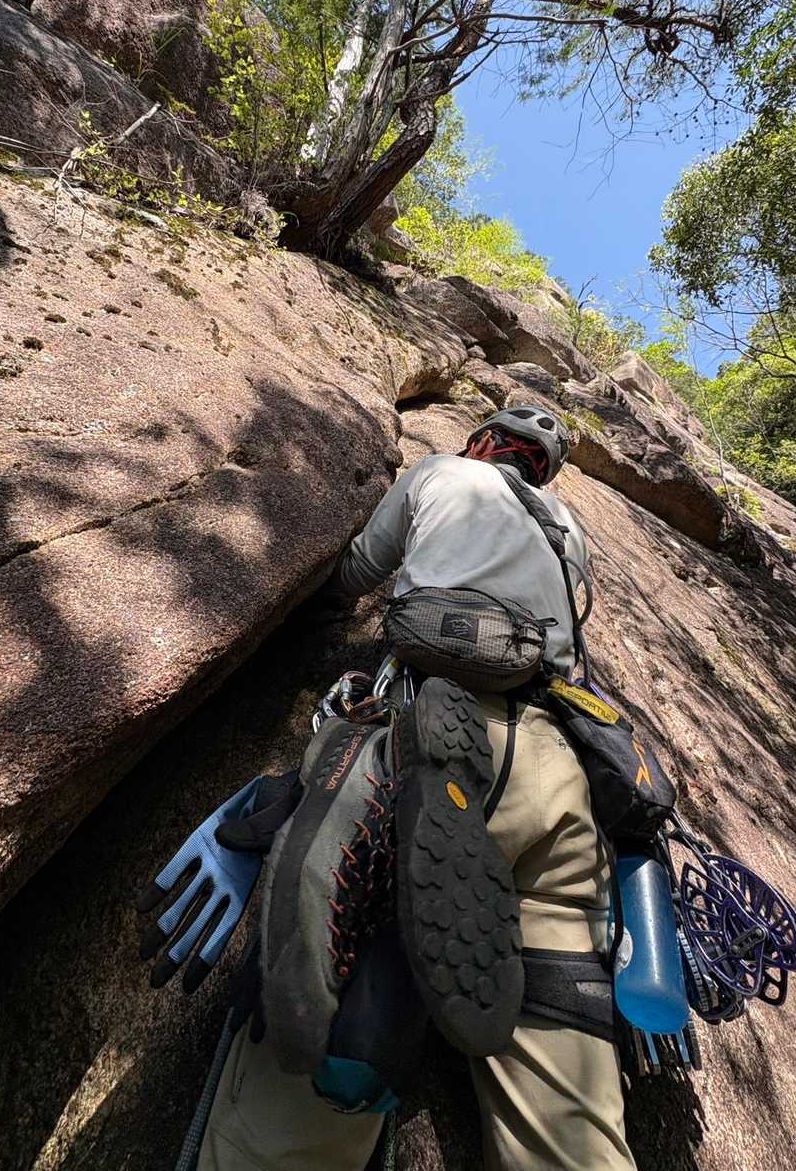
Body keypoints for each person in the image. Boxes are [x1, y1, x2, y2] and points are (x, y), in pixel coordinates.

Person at [194, 406, 638, 1171]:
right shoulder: (569, 531)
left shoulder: (442, 472)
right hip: (556, 774)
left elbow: (355, 572)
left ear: (485, 443)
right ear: (544, 471)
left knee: (343, 987)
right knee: (572, 1113)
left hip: (425, 738)